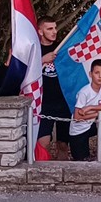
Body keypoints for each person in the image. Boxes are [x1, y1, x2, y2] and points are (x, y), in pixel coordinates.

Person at [36, 16, 69, 161]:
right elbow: (25, 71)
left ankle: (63, 173)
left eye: (55, 28)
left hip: (63, 102)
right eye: (49, 29)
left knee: (63, 145)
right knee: (42, 143)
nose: (54, 31)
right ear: (40, 31)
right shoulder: (34, 49)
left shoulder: (61, 48)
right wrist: (42, 60)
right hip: (44, 104)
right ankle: (43, 172)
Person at [70, 59, 101, 161]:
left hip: (93, 124)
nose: (100, 76)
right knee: (81, 160)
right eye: (97, 73)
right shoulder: (84, 92)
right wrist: (97, 115)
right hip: (80, 129)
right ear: (90, 74)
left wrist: (91, 107)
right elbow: (77, 117)